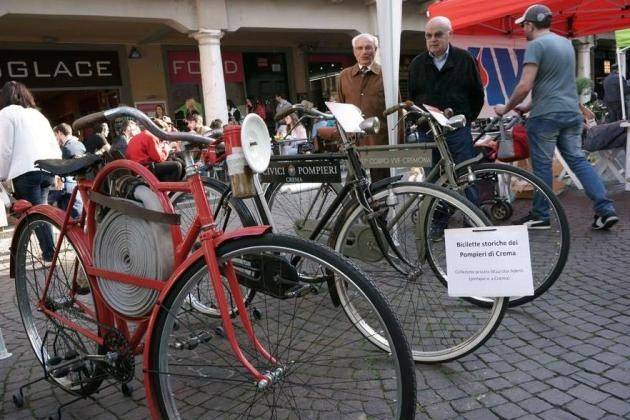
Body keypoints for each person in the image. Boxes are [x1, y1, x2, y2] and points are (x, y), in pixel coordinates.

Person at [494, 4, 618, 230]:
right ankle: (605, 209)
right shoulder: (565, 44)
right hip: (570, 112)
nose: (523, 30)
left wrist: (507, 107)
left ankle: (541, 216)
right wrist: (526, 106)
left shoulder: (536, 45)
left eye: (524, 26)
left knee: (542, 166)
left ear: (530, 25)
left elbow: (525, 84)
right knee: (578, 160)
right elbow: (554, 83)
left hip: (546, 116)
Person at [408, 16, 484, 175]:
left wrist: (466, 119)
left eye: (438, 35)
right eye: (428, 36)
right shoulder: (416, 64)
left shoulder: (465, 59)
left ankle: (468, 202)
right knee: (433, 181)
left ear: (450, 35)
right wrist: (419, 122)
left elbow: (477, 94)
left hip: (457, 132)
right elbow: (412, 97)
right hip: (427, 133)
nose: (433, 39)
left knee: (465, 177)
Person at [0, 81, 61, 262]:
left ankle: (49, 253)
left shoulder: (5, 114)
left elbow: (5, 149)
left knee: (35, 214)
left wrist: (1, 174)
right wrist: (57, 170)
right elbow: (53, 143)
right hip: (47, 168)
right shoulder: (38, 115)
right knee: (42, 210)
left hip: (25, 171)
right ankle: (48, 250)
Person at [337, 33, 391, 181]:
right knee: (354, 183)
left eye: (368, 47)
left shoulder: (387, 75)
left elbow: (396, 112)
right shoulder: (344, 76)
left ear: (375, 50)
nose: (364, 51)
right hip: (353, 141)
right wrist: (342, 139)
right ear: (354, 52)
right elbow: (339, 110)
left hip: (379, 141)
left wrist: (398, 144)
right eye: (359, 48)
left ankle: (379, 204)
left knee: (382, 184)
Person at [50, 123, 86, 218]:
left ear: (60, 133)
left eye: (56, 135)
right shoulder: (80, 144)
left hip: (69, 188)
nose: (56, 138)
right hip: (80, 188)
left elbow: (64, 173)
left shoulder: (66, 148)